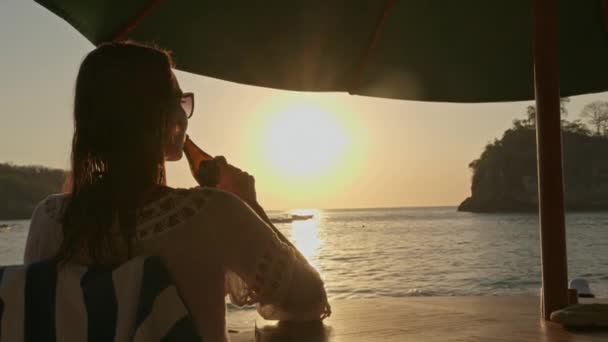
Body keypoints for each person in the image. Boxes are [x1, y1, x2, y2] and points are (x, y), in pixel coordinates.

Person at [23, 41, 331, 342]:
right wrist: (249, 204)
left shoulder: (48, 220)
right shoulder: (211, 213)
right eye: (181, 102)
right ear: (161, 118)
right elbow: (310, 301)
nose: (185, 115)